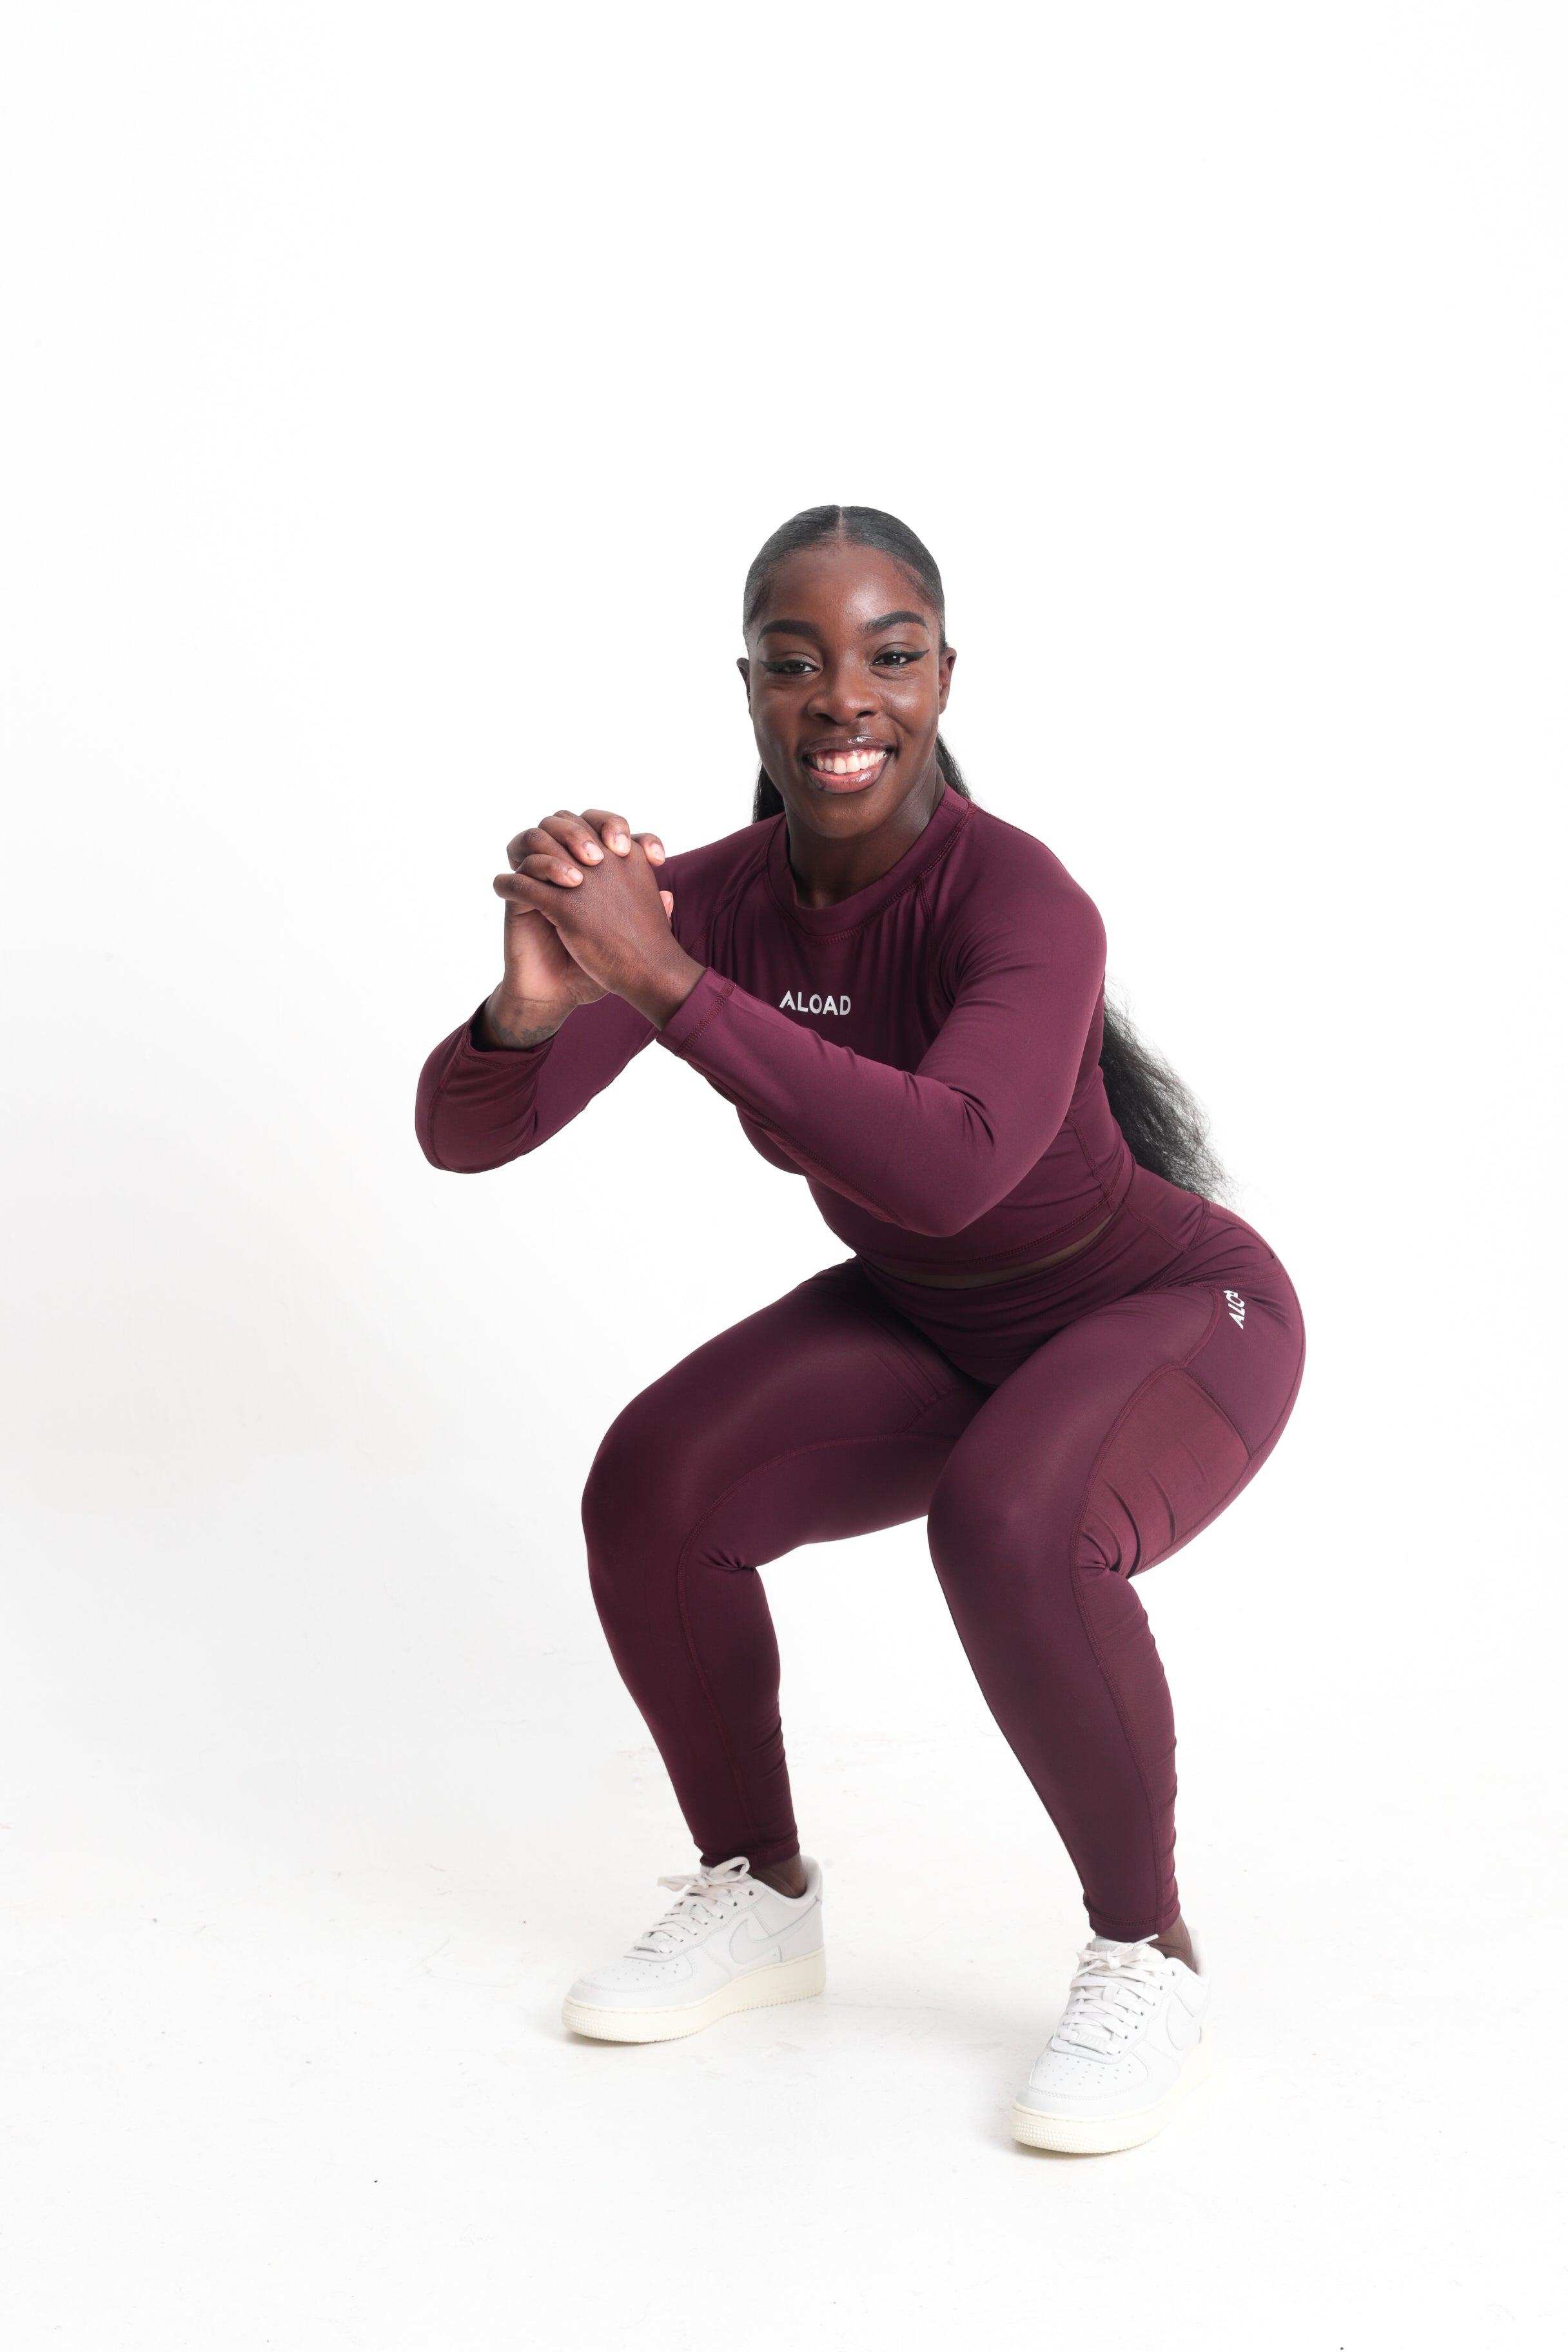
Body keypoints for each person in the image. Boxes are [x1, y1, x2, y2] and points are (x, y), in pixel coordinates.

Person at [415, 505, 1306, 2154]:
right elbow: (466, 1137)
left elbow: (950, 1168)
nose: (843, 697)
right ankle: (757, 1894)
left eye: (889, 656)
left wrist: (666, 985)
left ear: (944, 676)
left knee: (1012, 1521)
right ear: (750, 687)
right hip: (931, 1317)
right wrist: (535, 1005)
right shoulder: (709, 903)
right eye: (796, 661)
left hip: (1172, 1311)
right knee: (657, 1484)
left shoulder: (1018, 897)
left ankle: (1148, 1956)